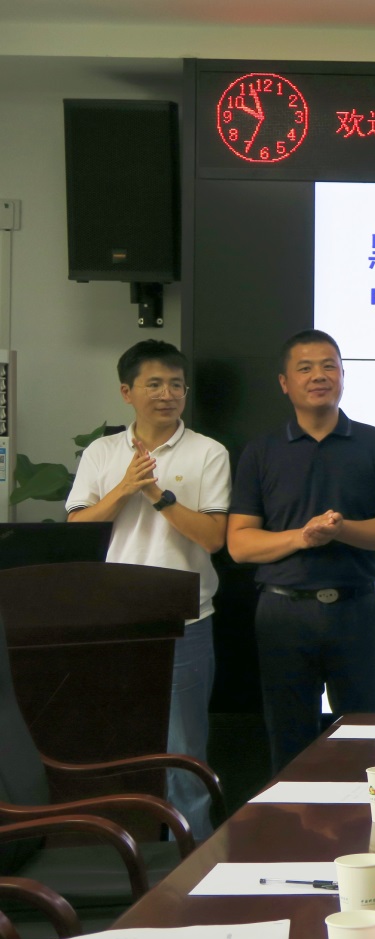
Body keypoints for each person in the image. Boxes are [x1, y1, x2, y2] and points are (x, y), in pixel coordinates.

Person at [65, 340, 230, 840]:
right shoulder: (103, 452)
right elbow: (77, 529)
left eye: (176, 384)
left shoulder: (208, 451)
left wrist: (157, 494)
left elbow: (213, 537)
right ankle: (124, 850)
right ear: (127, 392)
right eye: (154, 384)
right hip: (115, 621)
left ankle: (192, 858)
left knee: (185, 750)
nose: (167, 394)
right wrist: (124, 488)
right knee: (118, 744)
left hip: (185, 620)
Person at [227, 330, 375, 772]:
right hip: (284, 614)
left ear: (343, 375)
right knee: (289, 743)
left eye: (329, 366)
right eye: (305, 368)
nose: (319, 376)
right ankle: (293, 818)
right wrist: (302, 537)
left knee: (365, 740)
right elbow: (240, 544)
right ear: (284, 382)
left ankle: (367, 817)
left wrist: (341, 530)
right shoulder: (261, 451)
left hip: (357, 609)